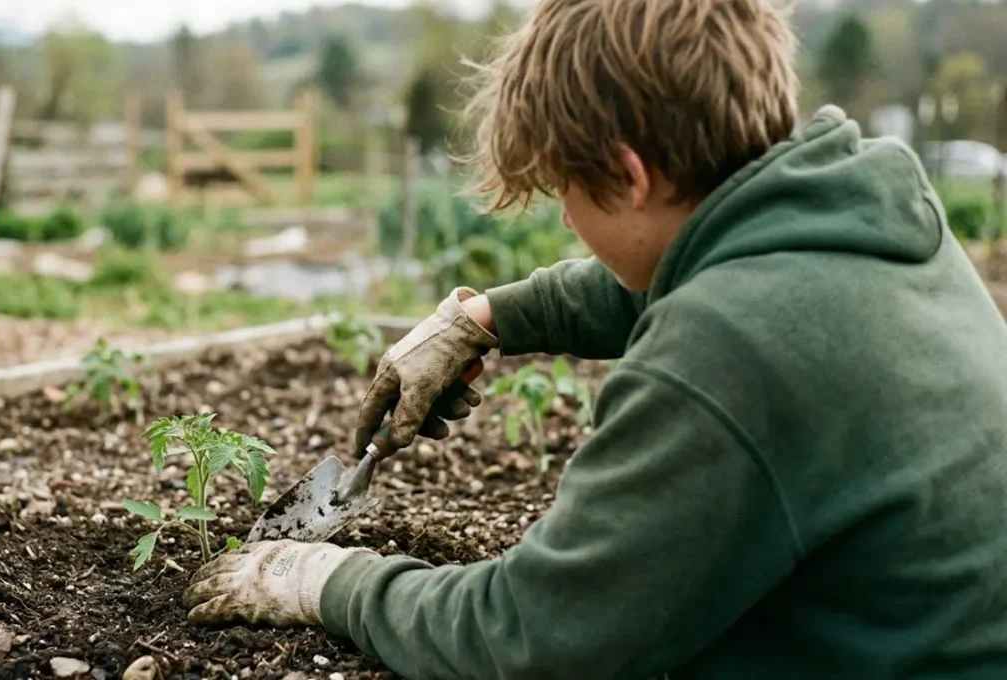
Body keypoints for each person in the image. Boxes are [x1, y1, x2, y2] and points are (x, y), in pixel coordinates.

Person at [183, 0, 1007, 677]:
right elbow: (681, 271)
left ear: (630, 174)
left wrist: (328, 582)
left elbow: (534, 638)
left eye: (564, 193)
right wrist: (484, 318)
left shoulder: (725, 354)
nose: (568, 222)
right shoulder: (868, 222)